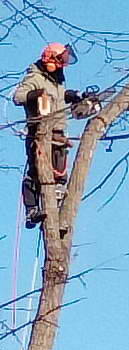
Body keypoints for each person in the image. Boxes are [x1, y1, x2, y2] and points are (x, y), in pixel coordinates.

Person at [13, 43, 98, 229]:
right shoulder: (35, 77)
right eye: (60, 61)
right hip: (39, 135)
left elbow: (58, 98)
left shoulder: (57, 81)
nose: (62, 66)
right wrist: (35, 94)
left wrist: (73, 95)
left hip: (58, 134)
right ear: (49, 59)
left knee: (59, 177)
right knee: (36, 174)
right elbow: (18, 97)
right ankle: (32, 211)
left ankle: (57, 213)